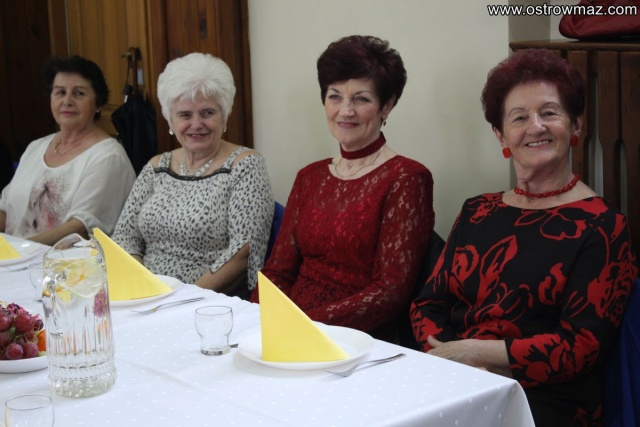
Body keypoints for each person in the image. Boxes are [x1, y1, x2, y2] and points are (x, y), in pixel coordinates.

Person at [410, 48, 637, 427]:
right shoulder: (476, 210)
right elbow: (428, 303)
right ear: (501, 134)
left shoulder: (603, 225)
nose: (536, 127)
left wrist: (477, 354)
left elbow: (581, 348)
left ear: (576, 125)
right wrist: (449, 358)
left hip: (546, 400)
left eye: (550, 112)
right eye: (519, 117)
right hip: (455, 377)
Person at [251, 35, 435, 341]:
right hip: (289, 328)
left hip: (357, 338)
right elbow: (277, 271)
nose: (345, 111)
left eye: (361, 99)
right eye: (335, 96)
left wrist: (307, 325)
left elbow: (390, 292)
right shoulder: (309, 177)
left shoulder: (407, 178)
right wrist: (258, 318)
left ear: (386, 106)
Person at [111, 53, 273, 299]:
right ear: (170, 121)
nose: (196, 124)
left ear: (224, 116)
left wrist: (182, 299)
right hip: (144, 295)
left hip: (204, 301)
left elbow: (243, 253)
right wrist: (142, 286)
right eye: (185, 115)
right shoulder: (156, 167)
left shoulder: (245, 166)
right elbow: (125, 236)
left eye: (207, 113)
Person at [0, 56, 136, 245]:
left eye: (79, 93)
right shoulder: (35, 147)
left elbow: (79, 229)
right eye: (60, 92)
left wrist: (21, 250)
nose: (67, 101)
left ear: (98, 104)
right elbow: (5, 209)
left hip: (63, 260)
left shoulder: (109, 157)